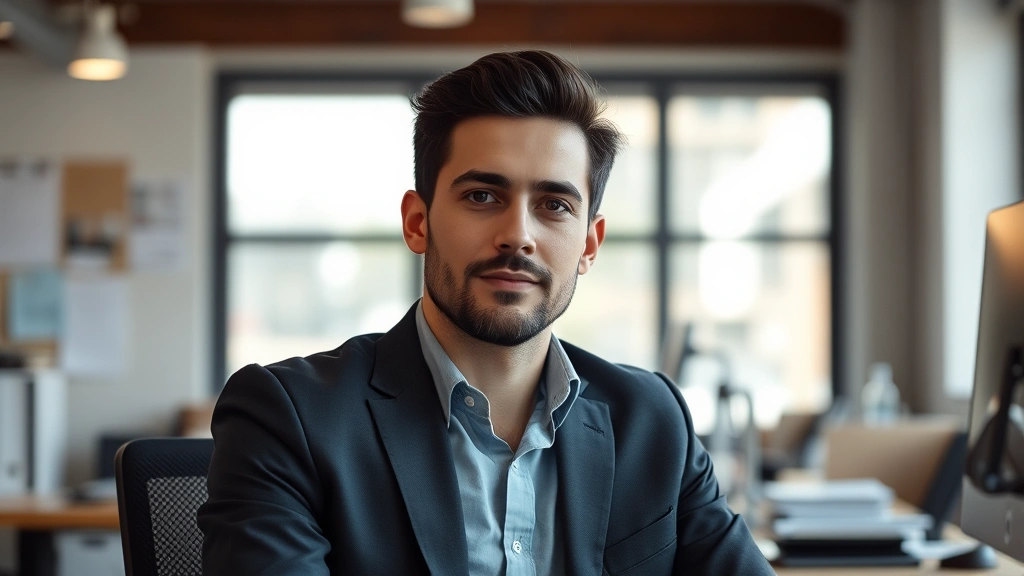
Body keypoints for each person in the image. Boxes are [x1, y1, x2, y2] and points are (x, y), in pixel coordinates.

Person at [198, 50, 774, 575]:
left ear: (589, 246)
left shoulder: (653, 421)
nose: (517, 235)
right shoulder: (288, 418)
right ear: (417, 222)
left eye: (553, 205)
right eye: (482, 196)